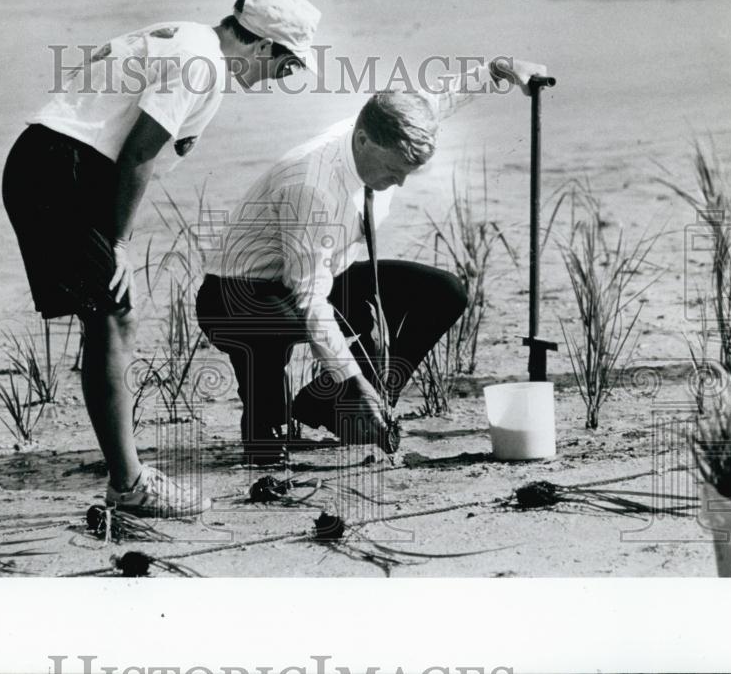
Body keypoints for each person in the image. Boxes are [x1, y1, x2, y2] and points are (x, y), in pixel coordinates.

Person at [2, 0, 321, 515]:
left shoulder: (190, 40)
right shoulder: (203, 64)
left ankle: (127, 476)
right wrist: (122, 241)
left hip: (52, 163)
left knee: (113, 317)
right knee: (111, 316)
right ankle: (129, 485)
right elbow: (138, 155)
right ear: (264, 47)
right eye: (286, 66)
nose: (280, 79)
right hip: (60, 170)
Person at [196, 58, 546, 464]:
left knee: (443, 292)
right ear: (362, 141)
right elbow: (309, 297)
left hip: (317, 277)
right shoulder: (312, 187)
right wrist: (352, 377)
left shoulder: (383, 126)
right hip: (236, 295)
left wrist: (502, 69)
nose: (398, 183)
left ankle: (328, 405)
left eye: (408, 173)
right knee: (279, 338)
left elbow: (440, 99)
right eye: (392, 170)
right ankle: (267, 434)